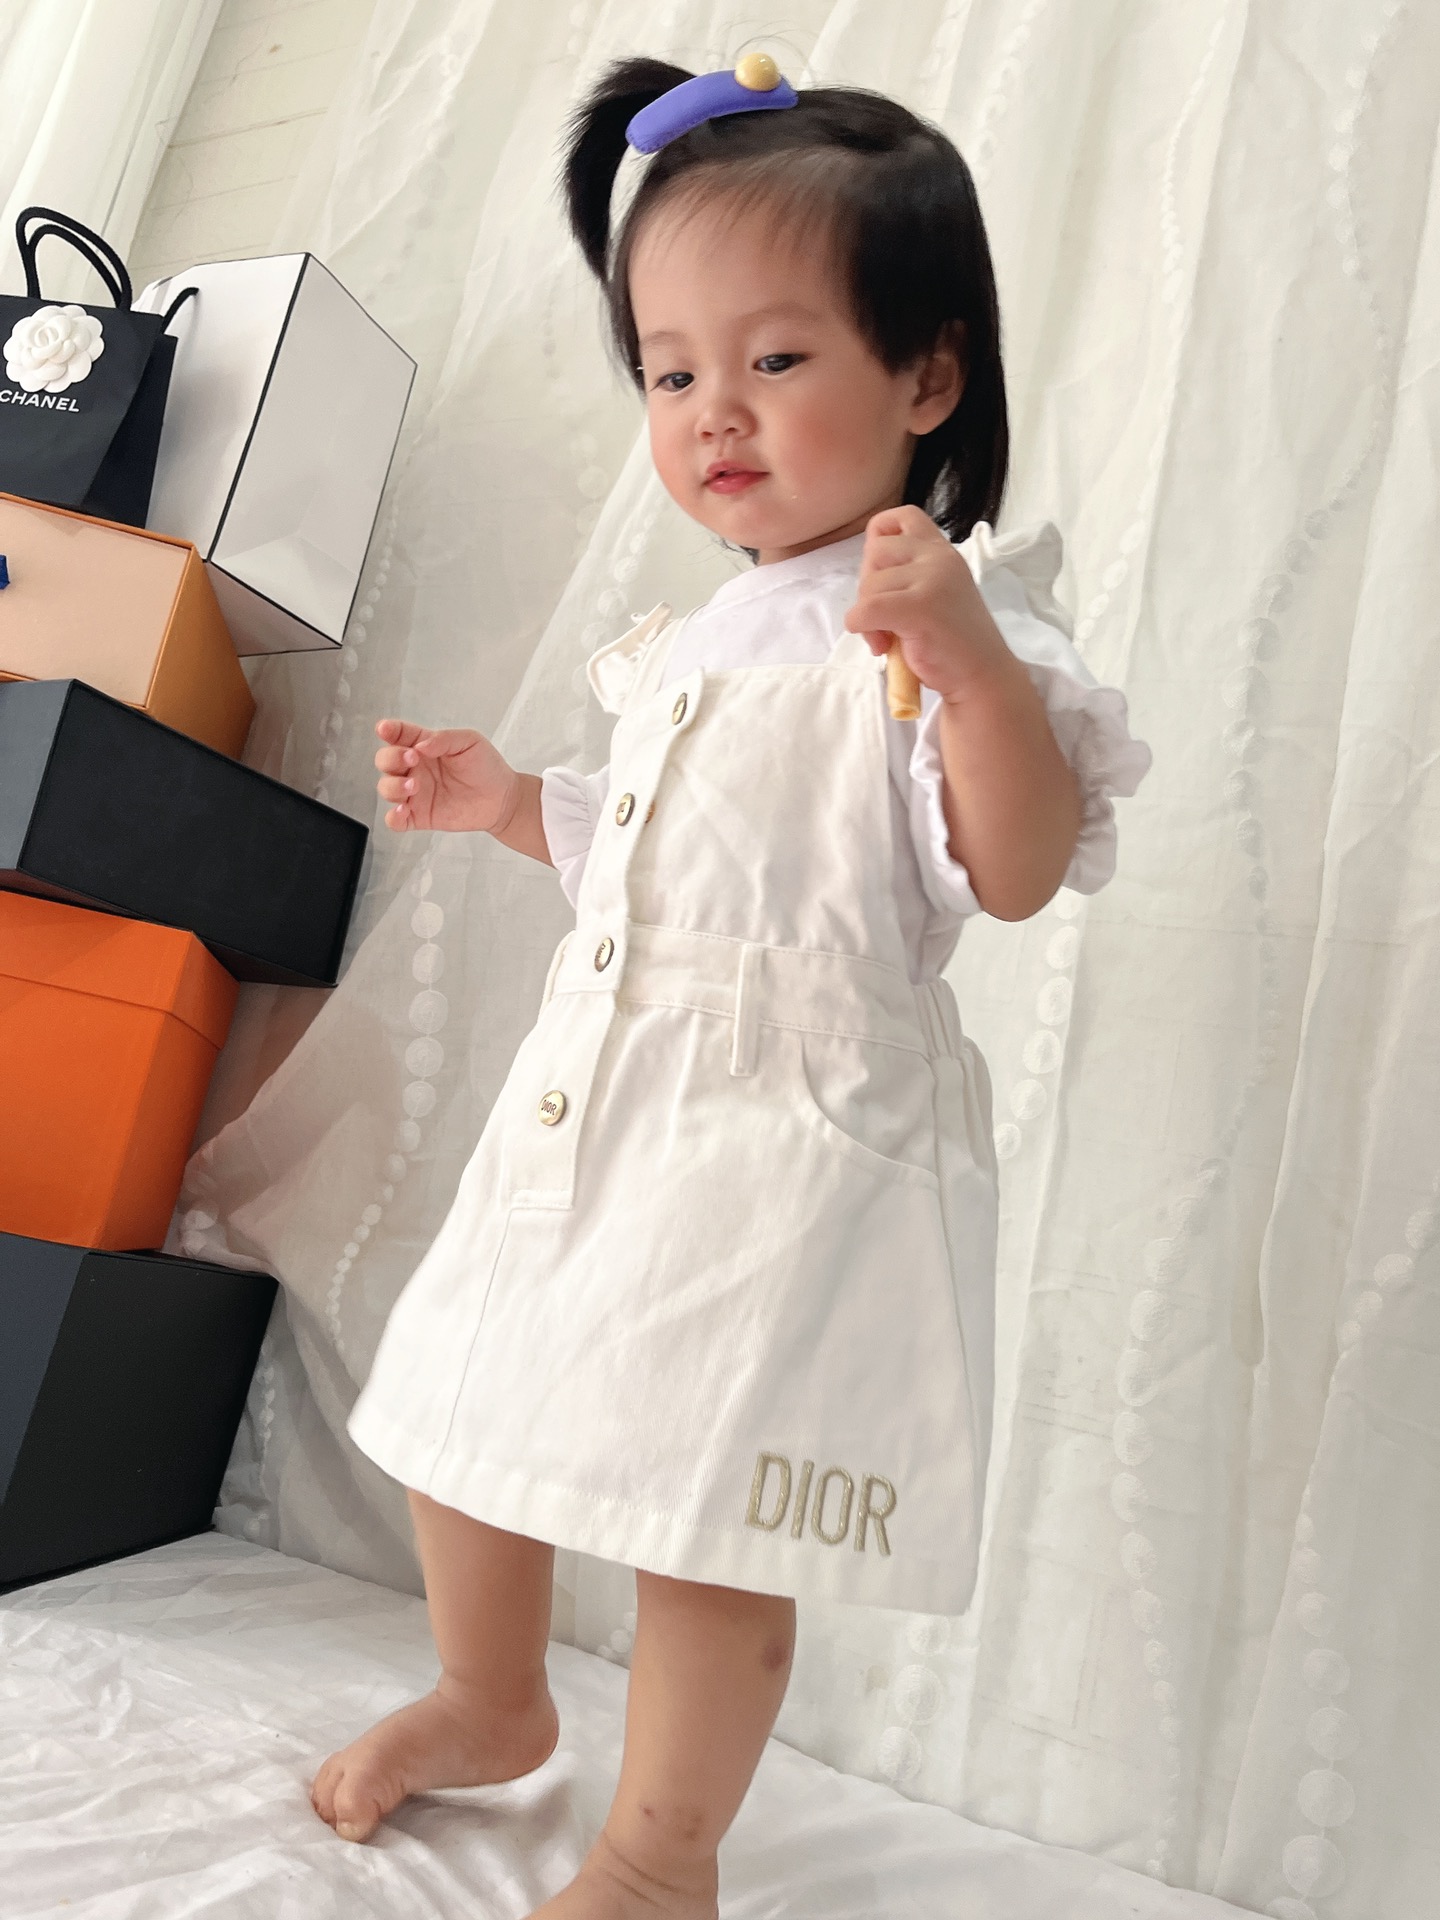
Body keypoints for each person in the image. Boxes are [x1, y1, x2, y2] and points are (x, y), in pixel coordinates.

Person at [311, 51, 1152, 1918]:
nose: (715, 415)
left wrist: (967, 664)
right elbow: (668, 859)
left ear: (927, 376)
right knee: (461, 1399)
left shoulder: (951, 620)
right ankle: (488, 1696)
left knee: (709, 1512)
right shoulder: (701, 630)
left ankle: (658, 1850)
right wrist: (515, 803)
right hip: (601, 1109)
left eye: (773, 359)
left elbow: (1014, 867)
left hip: (778, 1153)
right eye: (671, 372)